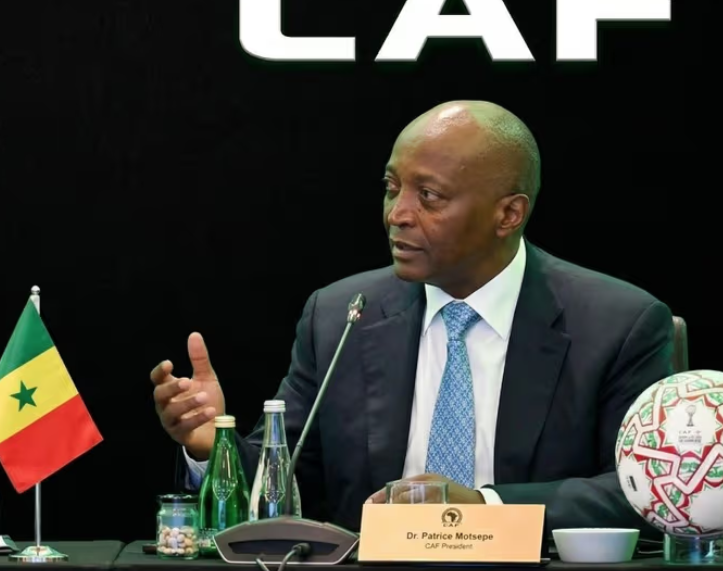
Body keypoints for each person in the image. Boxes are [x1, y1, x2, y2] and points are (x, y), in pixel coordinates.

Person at [151, 100, 673, 536]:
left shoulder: (617, 325)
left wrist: (483, 510)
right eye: (391, 187)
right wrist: (213, 445)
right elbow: (291, 481)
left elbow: (645, 491)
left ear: (508, 214)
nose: (396, 214)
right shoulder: (340, 316)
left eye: (429, 196)